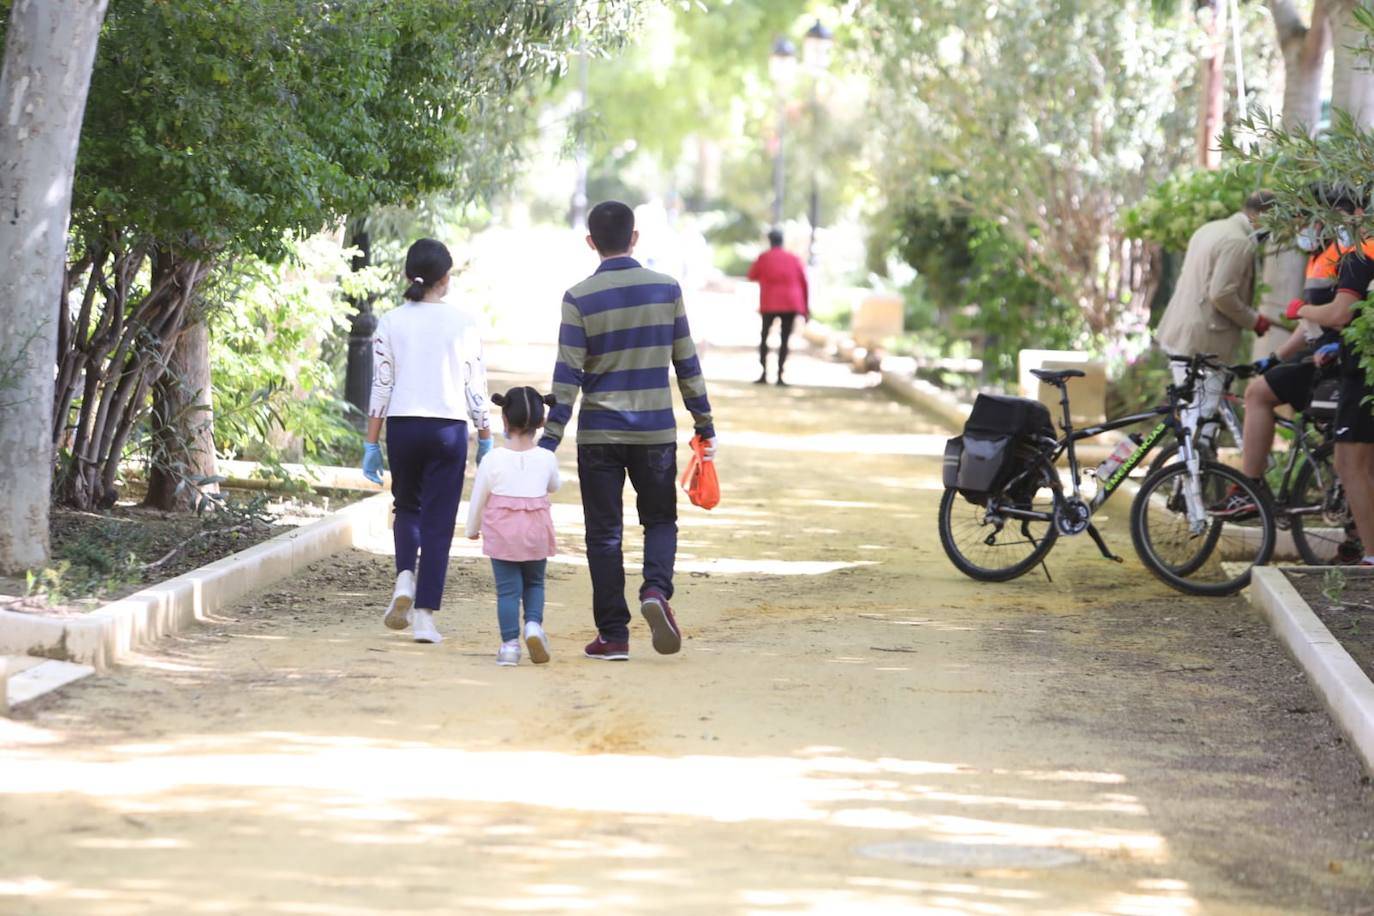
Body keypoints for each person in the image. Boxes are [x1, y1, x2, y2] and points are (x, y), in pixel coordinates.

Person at [540, 200, 717, 661]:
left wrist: (548, 440)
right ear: (635, 238)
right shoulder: (666, 290)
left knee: (604, 533)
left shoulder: (578, 297)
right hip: (655, 432)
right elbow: (687, 364)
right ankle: (655, 591)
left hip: (599, 433)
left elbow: (567, 375)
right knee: (660, 519)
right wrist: (704, 422)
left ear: (591, 242)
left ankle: (614, 636)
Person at [362, 238, 492, 644]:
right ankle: (424, 619)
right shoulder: (463, 323)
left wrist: (371, 443)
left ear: (408, 276)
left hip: (403, 426)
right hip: (448, 430)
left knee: (407, 508)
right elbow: (475, 387)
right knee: (438, 523)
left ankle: (404, 578)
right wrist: (485, 435)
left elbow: (380, 385)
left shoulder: (391, 321)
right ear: (446, 279)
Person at [1154, 191, 1276, 443]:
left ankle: (1190, 477)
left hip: (1181, 332)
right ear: (1261, 216)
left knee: (1195, 415)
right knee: (1200, 418)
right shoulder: (1239, 242)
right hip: (1204, 340)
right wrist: (1253, 320)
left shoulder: (1211, 228)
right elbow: (1221, 294)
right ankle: (1191, 477)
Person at [1289, 209, 1374, 567]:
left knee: (1350, 462)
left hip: (1363, 373)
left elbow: (1341, 312)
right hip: (1360, 367)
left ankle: (1371, 554)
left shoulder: (1359, 253)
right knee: (1357, 464)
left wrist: (1302, 309)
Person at [466, 387, 561, 666]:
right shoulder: (546, 458)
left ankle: (509, 646)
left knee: (508, 591)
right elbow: (554, 486)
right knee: (535, 582)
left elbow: (478, 497)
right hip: (535, 531)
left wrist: (472, 528)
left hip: (502, 533)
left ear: (504, 420)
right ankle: (533, 626)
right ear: (541, 423)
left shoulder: (493, 459)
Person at [746, 228, 809, 386]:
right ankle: (780, 375)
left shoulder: (764, 257)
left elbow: (752, 275)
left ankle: (764, 373)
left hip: (770, 303)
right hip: (790, 303)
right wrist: (805, 308)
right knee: (785, 338)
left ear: (770, 241)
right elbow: (804, 283)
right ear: (782, 241)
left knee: (765, 336)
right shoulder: (793, 258)